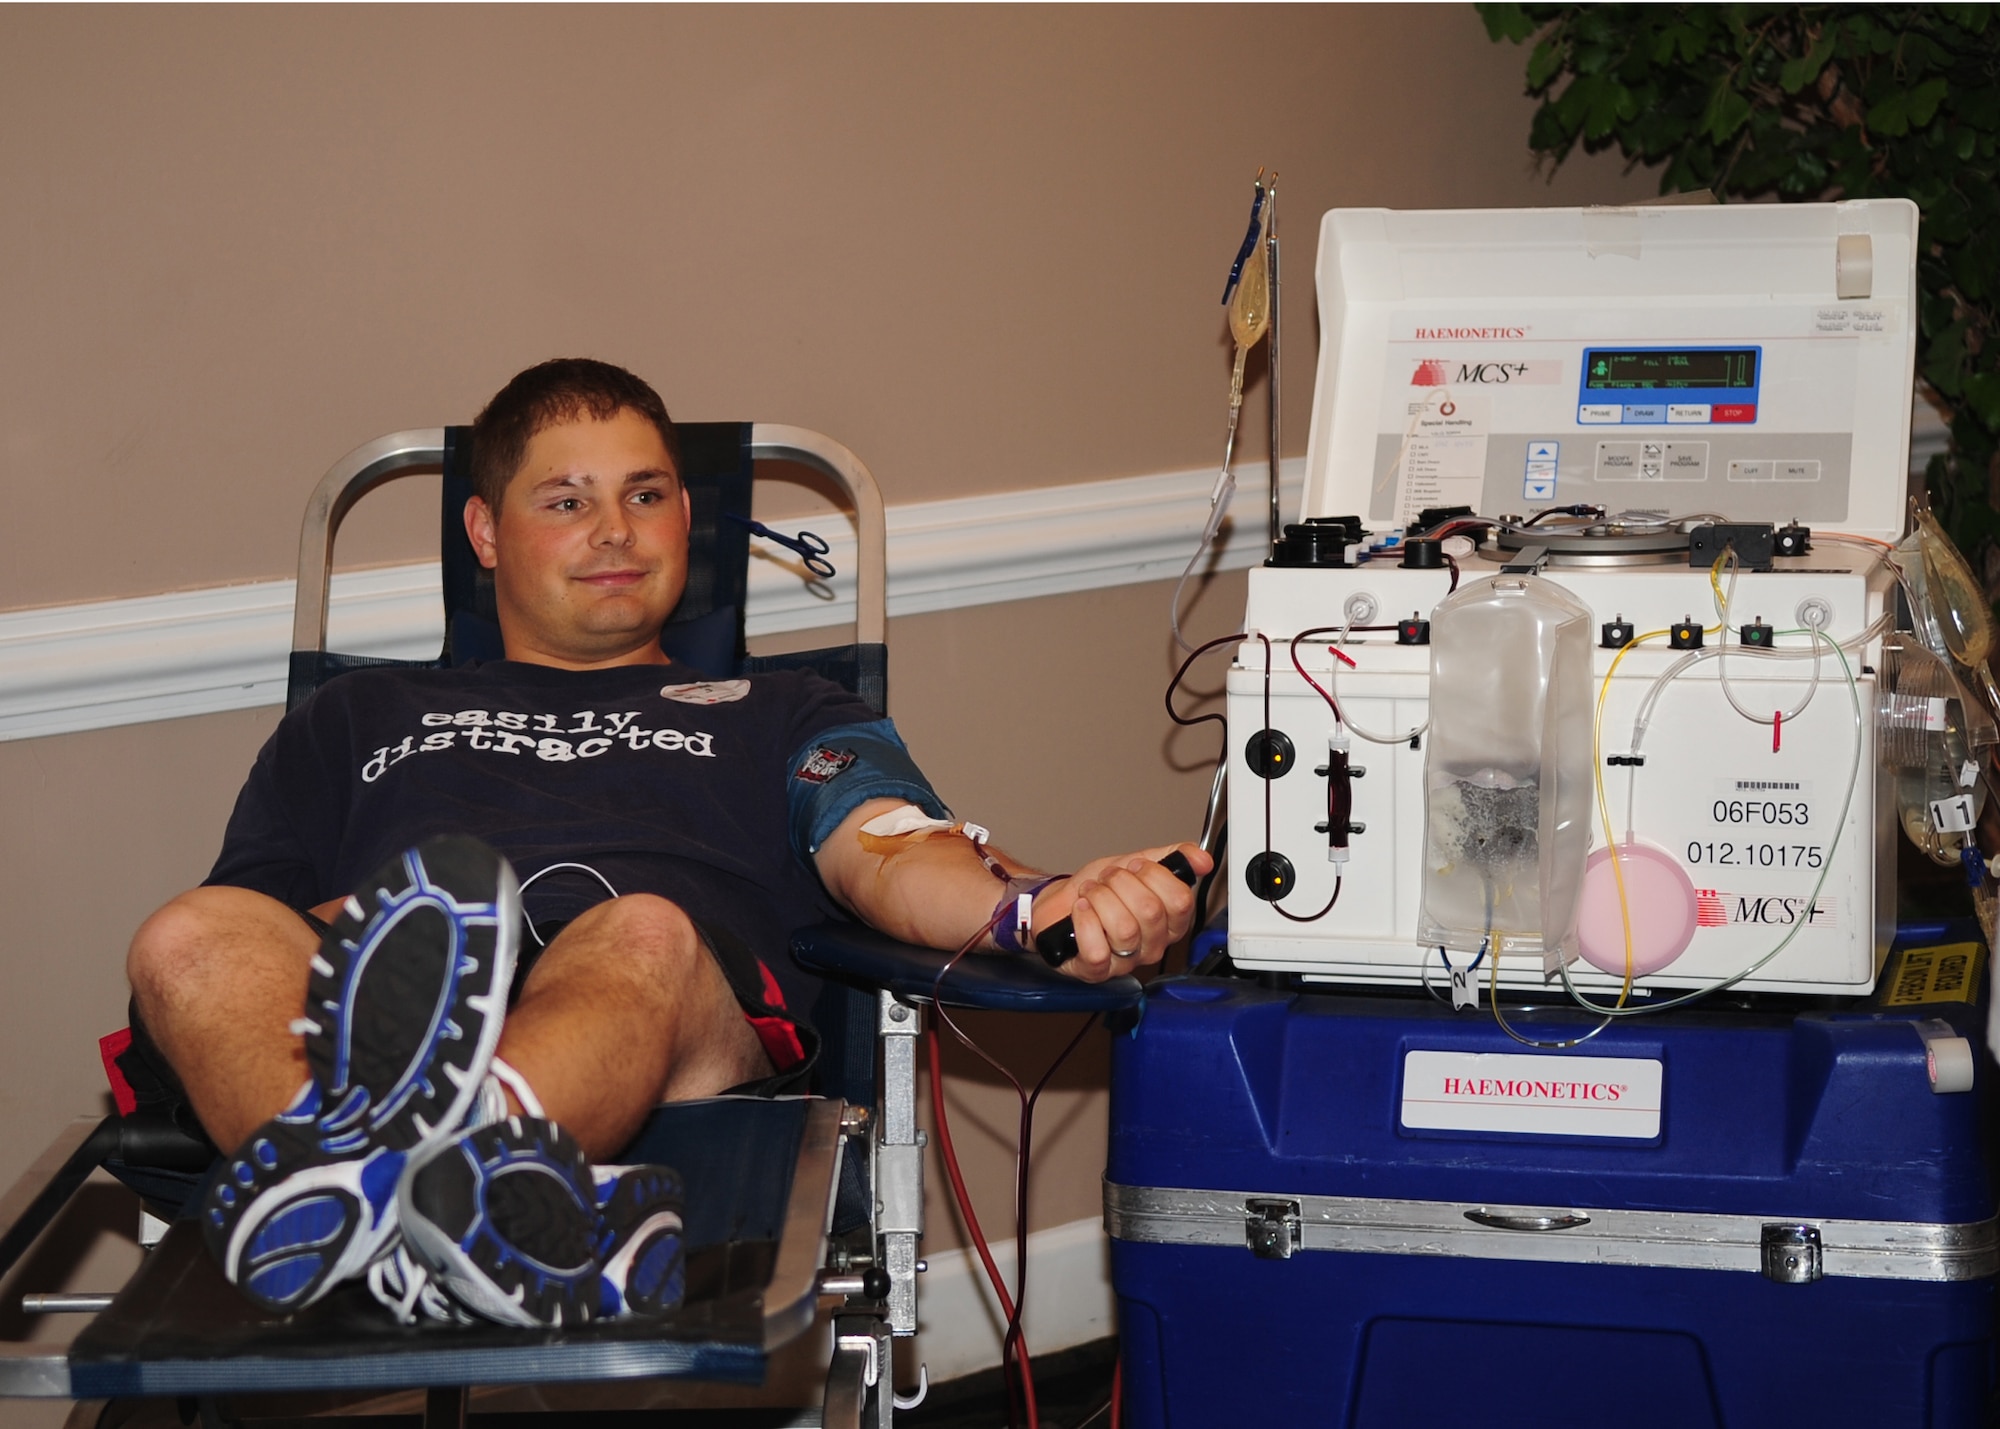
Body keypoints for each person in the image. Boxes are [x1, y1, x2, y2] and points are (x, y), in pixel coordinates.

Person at [123, 358, 1209, 1327]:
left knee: (636, 931)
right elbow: (252, 931)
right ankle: (438, 1211)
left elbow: (887, 844)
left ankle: (374, 1198)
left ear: (686, 519)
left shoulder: (781, 706)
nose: (614, 530)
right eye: (567, 500)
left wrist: (1036, 905)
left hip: (662, 1009)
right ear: (486, 532)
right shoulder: (351, 717)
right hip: (396, 996)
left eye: (645, 496)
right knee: (183, 933)